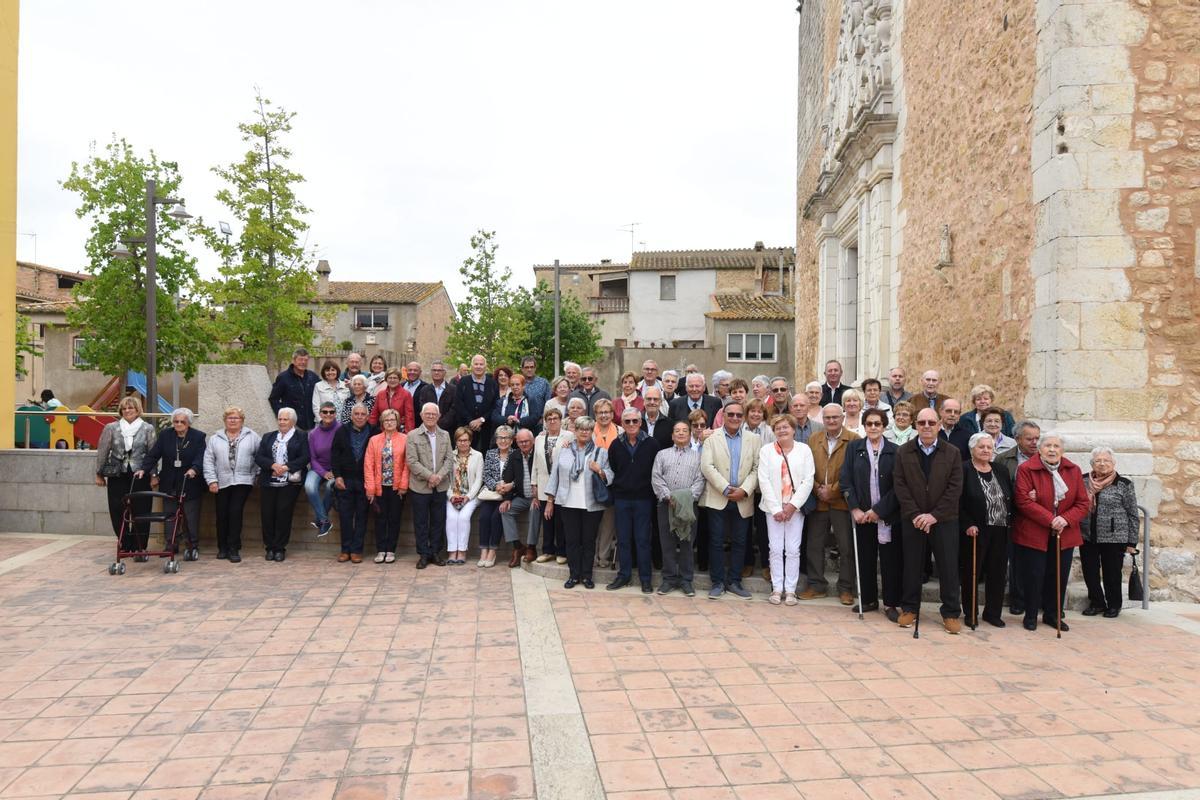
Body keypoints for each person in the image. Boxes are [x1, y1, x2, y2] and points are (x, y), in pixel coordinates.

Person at [892, 408, 965, 633]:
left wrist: (934, 516)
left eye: (931, 422)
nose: (926, 426)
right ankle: (910, 608)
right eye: (922, 422)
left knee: (948, 567)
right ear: (915, 425)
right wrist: (915, 514)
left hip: (944, 520)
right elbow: (900, 485)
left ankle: (951, 612)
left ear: (939, 425)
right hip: (913, 519)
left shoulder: (952, 452)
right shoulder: (904, 452)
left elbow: (955, 488)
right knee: (912, 566)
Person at [1014, 432, 1090, 632]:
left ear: (1062, 450)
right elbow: (1022, 500)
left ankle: (1052, 614)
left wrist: (1064, 519)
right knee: (1034, 575)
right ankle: (1030, 615)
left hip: (1064, 532)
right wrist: (1050, 519)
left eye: (1056, 446)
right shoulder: (1026, 469)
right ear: (1039, 449)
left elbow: (1082, 503)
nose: (1052, 449)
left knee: (1058, 576)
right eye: (1047, 445)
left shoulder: (1073, 470)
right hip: (1035, 531)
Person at [841, 408, 901, 618]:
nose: (873, 427)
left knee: (890, 561)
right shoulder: (853, 448)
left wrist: (878, 511)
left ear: (884, 426)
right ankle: (868, 600)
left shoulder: (896, 451)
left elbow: (900, 487)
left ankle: (891, 603)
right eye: (869, 424)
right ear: (864, 426)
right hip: (862, 516)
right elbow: (846, 480)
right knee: (865, 559)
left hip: (888, 516)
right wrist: (855, 508)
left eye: (878, 424)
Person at [543, 416, 612, 589]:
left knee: (588, 541)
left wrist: (600, 470)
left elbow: (611, 475)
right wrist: (550, 500)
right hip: (567, 503)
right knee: (572, 541)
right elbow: (555, 476)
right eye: (581, 428)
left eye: (588, 429)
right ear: (575, 431)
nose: (584, 432)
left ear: (592, 432)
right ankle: (574, 575)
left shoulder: (600, 452)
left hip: (592, 505)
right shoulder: (564, 450)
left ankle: (587, 576)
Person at [700, 401, 760, 599]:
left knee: (740, 542)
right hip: (718, 496)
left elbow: (757, 468)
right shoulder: (711, 438)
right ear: (723, 416)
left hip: (743, 498)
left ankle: (734, 581)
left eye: (738, 415)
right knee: (716, 541)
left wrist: (744, 490)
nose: (734, 418)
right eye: (730, 414)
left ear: (743, 417)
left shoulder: (754, 439)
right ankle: (717, 582)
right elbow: (707, 466)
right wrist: (725, 488)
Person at [800, 403, 859, 603]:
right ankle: (817, 585)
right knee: (814, 544)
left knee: (846, 547)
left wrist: (833, 491)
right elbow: (806, 469)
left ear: (842, 418)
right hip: (819, 501)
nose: (831, 421)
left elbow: (854, 472)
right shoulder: (813, 439)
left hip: (842, 501)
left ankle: (846, 588)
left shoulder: (854, 439)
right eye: (827, 418)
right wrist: (818, 488)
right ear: (822, 420)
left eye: (835, 417)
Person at [758, 413, 816, 605]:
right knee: (775, 548)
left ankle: (790, 590)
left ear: (793, 429)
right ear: (774, 431)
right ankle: (776, 588)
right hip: (772, 508)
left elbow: (808, 480)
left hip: (795, 508)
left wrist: (792, 506)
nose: (782, 430)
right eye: (778, 428)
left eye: (786, 427)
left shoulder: (804, 450)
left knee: (792, 549)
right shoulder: (767, 450)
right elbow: (763, 479)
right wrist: (776, 509)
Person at [959, 432, 1014, 628]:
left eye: (989, 447)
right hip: (975, 531)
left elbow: (1009, 497)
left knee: (997, 573)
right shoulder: (963, 469)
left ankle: (992, 613)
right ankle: (970, 613)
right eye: (981, 447)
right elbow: (958, 502)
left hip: (1000, 529)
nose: (985, 450)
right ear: (972, 449)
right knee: (972, 572)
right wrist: (967, 524)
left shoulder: (1000, 469)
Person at [139, 408, 207, 561]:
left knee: (190, 515)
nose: (178, 424)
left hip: (189, 481)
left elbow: (201, 456)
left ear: (188, 423)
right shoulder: (165, 435)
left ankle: (192, 545)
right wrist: (144, 469)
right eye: (176, 421)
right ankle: (171, 544)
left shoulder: (198, 436)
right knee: (169, 515)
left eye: (182, 422)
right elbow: (153, 454)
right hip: (169, 481)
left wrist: (194, 469)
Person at [1080, 447, 1140, 618]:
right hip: (1087, 534)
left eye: (1106, 460)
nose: (1102, 463)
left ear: (1113, 463)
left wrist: (1131, 542)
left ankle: (1114, 605)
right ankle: (1097, 603)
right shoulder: (1083, 480)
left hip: (1114, 537)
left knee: (1112, 573)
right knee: (1090, 572)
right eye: (1098, 460)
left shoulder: (1124, 484)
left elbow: (1133, 514)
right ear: (1092, 464)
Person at [607, 409, 661, 593]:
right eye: (627, 421)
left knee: (643, 540)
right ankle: (624, 575)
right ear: (622, 423)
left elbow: (656, 469)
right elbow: (614, 467)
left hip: (644, 499)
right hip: (622, 498)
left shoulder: (652, 444)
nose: (631, 424)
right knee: (623, 539)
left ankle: (646, 579)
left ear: (640, 422)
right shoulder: (615, 445)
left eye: (634, 421)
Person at [95, 396, 155, 557]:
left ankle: (140, 546)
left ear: (138, 410)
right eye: (124, 408)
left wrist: (154, 475)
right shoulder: (111, 428)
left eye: (131, 408)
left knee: (141, 510)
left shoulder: (147, 428)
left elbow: (152, 454)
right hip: (117, 474)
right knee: (117, 509)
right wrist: (99, 473)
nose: (127, 411)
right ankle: (124, 543)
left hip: (140, 474)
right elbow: (103, 451)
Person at [651, 421, 705, 596]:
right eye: (677, 431)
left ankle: (686, 580)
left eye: (684, 431)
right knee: (667, 543)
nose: (681, 433)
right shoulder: (662, 455)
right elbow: (656, 478)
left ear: (690, 434)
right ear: (672, 435)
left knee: (687, 543)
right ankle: (669, 579)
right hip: (665, 505)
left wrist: (686, 499)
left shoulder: (697, 457)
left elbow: (700, 480)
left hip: (688, 506)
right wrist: (668, 497)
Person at [203, 406, 260, 563]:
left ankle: (234, 548)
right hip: (221, 481)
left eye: (236, 418)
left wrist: (255, 474)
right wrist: (212, 480)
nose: (233, 420)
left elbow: (259, 456)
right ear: (225, 420)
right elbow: (208, 461)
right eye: (230, 418)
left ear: (242, 421)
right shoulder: (215, 438)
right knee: (222, 514)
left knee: (235, 512)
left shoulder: (252, 436)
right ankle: (222, 548)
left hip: (243, 480)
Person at [997, 420, 1041, 616]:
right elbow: (997, 487)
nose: (1034, 442)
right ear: (1017, 439)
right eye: (1029, 438)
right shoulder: (1003, 459)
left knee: (1038, 562)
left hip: (1040, 517)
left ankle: (1040, 600)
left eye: (1037, 438)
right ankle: (1018, 599)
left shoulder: (1045, 458)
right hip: (1013, 516)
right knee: (1016, 561)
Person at [255, 408, 309, 563]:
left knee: (283, 514)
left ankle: (279, 548)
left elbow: (305, 457)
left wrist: (285, 467)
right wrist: (272, 465)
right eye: (280, 419)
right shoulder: (268, 436)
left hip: (290, 482)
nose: (282, 422)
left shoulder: (301, 436)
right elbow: (259, 457)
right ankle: (269, 547)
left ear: (292, 421)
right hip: (269, 481)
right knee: (267, 514)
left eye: (285, 419)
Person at [407, 402, 453, 569]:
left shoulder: (445, 435)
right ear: (421, 416)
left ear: (439, 416)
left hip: (440, 485)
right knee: (420, 522)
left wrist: (439, 476)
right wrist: (430, 476)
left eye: (434, 414)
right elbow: (412, 461)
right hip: (420, 486)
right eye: (428, 414)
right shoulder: (412, 435)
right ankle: (423, 554)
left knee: (438, 521)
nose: (431, 416)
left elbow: (449, 459)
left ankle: (435, 552)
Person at [364, 408, 410, 565]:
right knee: (380, 519)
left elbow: (407, 465)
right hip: (379, 487)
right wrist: (370, 489)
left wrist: (404, 485)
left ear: (398, 422)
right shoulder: (374, 440)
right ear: (382, 423)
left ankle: (391, 550)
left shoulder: (405, 439)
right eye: (386, 420)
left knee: (394, 518)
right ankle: (381, 549)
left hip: (397, 487)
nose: (389, 422)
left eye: (392, 420)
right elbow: (368, 465)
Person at [331, 403, 373, 563]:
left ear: (367, 416)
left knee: (362, 516)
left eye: (363, 414)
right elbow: (334, 454)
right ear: (351, 415)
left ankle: (356, 550)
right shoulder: (341, 431)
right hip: (346, 480)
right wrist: (338, 476)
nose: (360, 417)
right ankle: (345, 549)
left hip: (364, 480)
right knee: (345, 516)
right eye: (357, 414)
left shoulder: (374, 431)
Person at [498, 428, 540, 567]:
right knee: (505, 510)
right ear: (517, 442)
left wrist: (537, 496)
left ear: (533, 441)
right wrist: (507, 499)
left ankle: (531, 547)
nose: (524, 444)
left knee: (535, 510)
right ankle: (518, 547)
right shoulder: (515, 455)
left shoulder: (538, 454)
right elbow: (508, 477)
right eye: (521, 442)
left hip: (537, 497)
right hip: (522, 497)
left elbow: (545, 475)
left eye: (526, 441)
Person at [532, 407, 567, 564]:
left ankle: (561, 551)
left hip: (562, 484)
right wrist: (534, 484)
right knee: (546, 519)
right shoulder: (539, 439)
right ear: (545, 422)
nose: (552, 421)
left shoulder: (569, 437)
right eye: (549, 419)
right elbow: (535, 464)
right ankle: (547, 551)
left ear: (561, 420)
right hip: (544, 483)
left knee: (560, 519)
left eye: (555, 418)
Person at [445, 427, 484, 565]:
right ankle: (452, 551)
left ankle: (461, 551)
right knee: (451, 518)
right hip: (453, 495)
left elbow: (479, 480)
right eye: (460, 440)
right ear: (456, 441)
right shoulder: (450, 455)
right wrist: (450, 496)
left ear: (470, 441)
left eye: (466, 440)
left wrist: (468, 497)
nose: (463, 443)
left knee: (463, 517)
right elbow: (446, 479)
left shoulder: (478, 456)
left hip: (471, 496)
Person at [476, 426, 513, 567]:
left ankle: (492, 550)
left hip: (507, 495)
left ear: (511, 440)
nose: (503, 440)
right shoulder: (490, 453)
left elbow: (518, 477)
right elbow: (486, 475)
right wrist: (496, 486)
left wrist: (507, 487)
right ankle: (483, 550)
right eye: (500, 437)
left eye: (506, 438)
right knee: (484, 516)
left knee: (496, 517)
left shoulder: (516, 454)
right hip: (491, 494)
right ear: (496, 440)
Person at [304, 401, 341, 537]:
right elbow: (312, 458)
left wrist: (335, 471)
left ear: (335, 414)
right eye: (325, 412)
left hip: (337, 468)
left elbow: (343, 454)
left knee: (330, 486)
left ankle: (321, 520)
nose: (328, 414)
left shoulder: (341, 429)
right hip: (318, 468)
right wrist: (323, 472)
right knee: (309, 486)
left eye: (331, 412)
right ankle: (324, 520)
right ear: (320, 414)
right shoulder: (313, 433)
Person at [591, 398, 619, 568]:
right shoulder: (588, 431)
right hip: (591, 483)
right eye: (600, 412)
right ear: (595, 414)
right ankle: (592, 555)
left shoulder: (621, 431)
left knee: (609, 523)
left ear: (612, 414)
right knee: (592, 523)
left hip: (612, 482)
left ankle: (603, 556)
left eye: (607, 412)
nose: (604, 415)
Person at [455, 354, 500, 452]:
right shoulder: (463, 382)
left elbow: (495, 405)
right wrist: (470, 421)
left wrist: (482, 419)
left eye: (481, 364)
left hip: (486, 428)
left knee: (484, 455)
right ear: (471, 366)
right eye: (476, 364)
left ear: (485, 366)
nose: (478, 366)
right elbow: (459, 403)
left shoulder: (492, 383)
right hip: (466, 427)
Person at [269, 348, 320, 430]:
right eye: (300, 359)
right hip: (293, 425)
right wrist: (283, 416)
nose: (303, 362)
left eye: (305, 360)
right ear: (293, 360)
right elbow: (273, 399)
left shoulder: (313, 377)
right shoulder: (283, 377)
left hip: (312, 424)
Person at [493, 373, 543, 437]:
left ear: (523, 386)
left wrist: (519, 420)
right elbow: (494, 416)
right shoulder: (503, 400)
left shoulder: (530, 400)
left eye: (517, 384)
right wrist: (506, 420)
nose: (515, 387)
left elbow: (535, 417)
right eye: (512, 385)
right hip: (506, 436)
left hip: (525, 436)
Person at [414, 360, 457, 432]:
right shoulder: (425, 390)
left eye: (439, 370)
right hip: (428, 428)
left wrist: (440, 424)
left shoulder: (453, 390)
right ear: (431, 372)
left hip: (448, 430)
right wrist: (431, 422)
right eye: (434, 370)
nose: (436, 372)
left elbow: (454, 409)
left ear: (444, 372)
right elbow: (423, 408)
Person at [370, 367, 415, 433]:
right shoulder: (380, 394)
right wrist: (370, 430)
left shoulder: (406, 394)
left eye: (395, 378)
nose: (392, 380)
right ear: (386, 379)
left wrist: (408, 434)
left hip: (399, 430)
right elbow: (374, 414)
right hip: (383, 430)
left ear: (399, 379)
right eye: (390, 378)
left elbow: (409, 417)